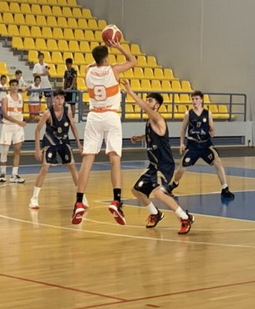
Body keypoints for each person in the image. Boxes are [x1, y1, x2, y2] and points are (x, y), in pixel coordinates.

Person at [70, 42, 136, 225]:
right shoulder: (114, 70)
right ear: (107, 57)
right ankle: (116, 201)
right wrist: (118, 46)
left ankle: (79, 202)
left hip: (93, 117)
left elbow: (93, 64)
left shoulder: (88, 71)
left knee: (87, 160)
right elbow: (133, 60)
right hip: (111, 116)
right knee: (114, 159)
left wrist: (99, 59)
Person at [123, 81, 195, 234]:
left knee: (158, 193)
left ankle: (184, 217)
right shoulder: (150, 122)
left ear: (157, 105)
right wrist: (140, 137)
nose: (147, 102)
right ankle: (155, 213)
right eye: (147, 100)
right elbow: (153, 135)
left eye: (150, 100)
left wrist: (130, 91)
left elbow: (144, 107)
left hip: (164, 164)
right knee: (137, 190)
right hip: (153, 165)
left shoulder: (159, 119)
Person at [168, 91, 235, 199]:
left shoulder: (208, 113)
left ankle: (225, 188)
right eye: (193, 99)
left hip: (205, 145)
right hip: (193, 145)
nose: (194, 101)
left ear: (201, 100)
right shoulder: (188, 114)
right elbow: (183, 129)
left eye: (196, 99)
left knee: (218, 162)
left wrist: (212, 131)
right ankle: (173, 184)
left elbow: (212, 128)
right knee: (181, 168)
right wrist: (181, 143)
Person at [30, 89, 84, 209]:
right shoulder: (48, 113)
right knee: (45, 168)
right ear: (54, 99)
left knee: (72, 166)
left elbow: (73, 126)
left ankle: (81, 197)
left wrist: (78, 143)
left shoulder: (67, 110)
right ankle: (34, 198)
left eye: (62, 98)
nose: (60, 101)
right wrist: (37, 149)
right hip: (51, 141)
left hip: (63, 141)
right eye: (57, 98)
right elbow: (37, 130)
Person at [0, 79, 26, 183]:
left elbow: (20, 111)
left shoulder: (21, 97)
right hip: (8, 126)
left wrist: (20, 121)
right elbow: (5, 115)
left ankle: (14, 174)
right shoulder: (5, 98)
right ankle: (2, 173)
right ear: (10, 86)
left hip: (18, 127)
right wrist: (18, 121)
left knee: (17, 150)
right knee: (5, 150)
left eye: (16, 85)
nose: (15, 87)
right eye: (13, 85)